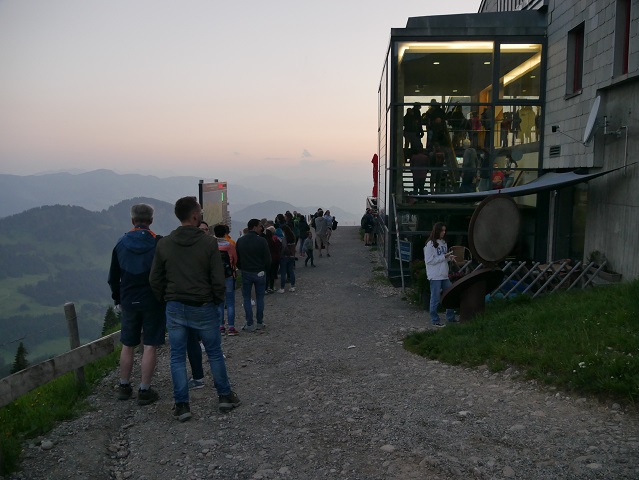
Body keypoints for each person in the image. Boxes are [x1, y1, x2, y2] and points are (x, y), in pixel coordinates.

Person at [149, 196, 240, 421]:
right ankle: (225, 396)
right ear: (194, 215)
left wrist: (166, 299)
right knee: (214, 353)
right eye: (199, 210)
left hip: (175, 306)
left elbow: (155, 279)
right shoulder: (208, 243)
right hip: (203, 305)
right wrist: (218, 301)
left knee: (177, 356)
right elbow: (217, 278)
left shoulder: (165, 243)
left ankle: (182, 406)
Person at [108, 203, 165, 406]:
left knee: (128, 344)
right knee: (150, 345)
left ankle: (124, 386)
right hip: (153, 300)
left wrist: (118, 299)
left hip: (129, 300)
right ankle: (144, 390)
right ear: (151, 221)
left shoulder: (121, 243)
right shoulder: (159, 243)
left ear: (133, 220)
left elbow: (113, 276)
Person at [235, 218, 271, 331]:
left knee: (246, 298)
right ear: (254, 227)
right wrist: (265, 269)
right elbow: (267, 259)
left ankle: (249, 324)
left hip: (245, 272)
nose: (261, 228)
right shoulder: (262, 241)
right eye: (260, 226)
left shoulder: (240, 241)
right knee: (260, 298)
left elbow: (237, 258)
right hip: (260, 272)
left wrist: (241, 268)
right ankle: (260, 322)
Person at [424, 222, 456, 327]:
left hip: (443, 274)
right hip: (435, 275)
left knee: (451, 295)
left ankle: (450, 317)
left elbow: (442, 258)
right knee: (435, 298)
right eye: (442, 230)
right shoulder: (430, 244)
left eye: (445, 230)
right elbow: (429, 260)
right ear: (437, 231)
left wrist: (449, 258)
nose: (444, 232)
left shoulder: (443, 242)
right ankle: (435, 320)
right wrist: (444, 256)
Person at [213, 224, 238, 336]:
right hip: (228, 276)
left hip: (216, 277)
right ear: (225, 233)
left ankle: (220, 326)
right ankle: (231, 327)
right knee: (230, 302)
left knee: (219, 302)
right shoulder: (230, 245)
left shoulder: (211, 245)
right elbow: (235, 259)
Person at [278, 225, 296, 293]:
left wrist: (281, 255)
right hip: (292, 256)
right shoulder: (292, 236)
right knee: (291, 271)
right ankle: (292, 286)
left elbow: (284, 247)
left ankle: (282, 288)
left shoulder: (284, 238)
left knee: (283, 273)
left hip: (285, 257)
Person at [265, 226, 281, 294]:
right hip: (275, 258)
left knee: (268, 274)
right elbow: (279, 247)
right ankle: (272, 287)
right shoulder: (275, 239)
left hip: (268, 259)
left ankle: (266, 287)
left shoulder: (264, 241)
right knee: (273, 273)